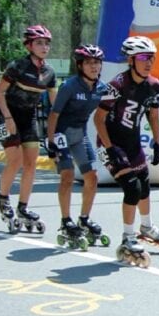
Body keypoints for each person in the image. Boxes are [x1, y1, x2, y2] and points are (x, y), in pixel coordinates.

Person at [94, 36, 159, 265]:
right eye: (142, 57)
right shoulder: (117, 84)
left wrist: (158, 143)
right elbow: (98, 119)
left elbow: (154, 114)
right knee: (132, 187)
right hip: (110, 142)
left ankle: (146, 227)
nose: (148, 62)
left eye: (152, 57)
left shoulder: (155, 85)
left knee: (144, 184)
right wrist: (109, 149)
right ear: (131, 60)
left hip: (132, 143)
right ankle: (128, 237)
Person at [0, 25, 57, 233]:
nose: (44, 47)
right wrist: (8, 118)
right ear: (29, 45)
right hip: (6, 114)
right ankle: (3, 200)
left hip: (28, 117)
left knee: (31, 163)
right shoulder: (18, 66)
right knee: (16, 160)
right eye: (39, 43)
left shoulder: (49, 72)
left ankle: (23, 207)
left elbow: (55, 104)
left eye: (47, 43)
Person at [46, 44, 109, 247]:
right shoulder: (70, 86)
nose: (94, 66)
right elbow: (54, 115)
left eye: (97, 63)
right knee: (68, 176)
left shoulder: (101, 88)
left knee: (92, 176)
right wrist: (51, 143)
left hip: (80, 134)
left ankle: (83, 218)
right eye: (89, 63)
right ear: (80, 65)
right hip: (62, 134)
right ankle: (66, 221)